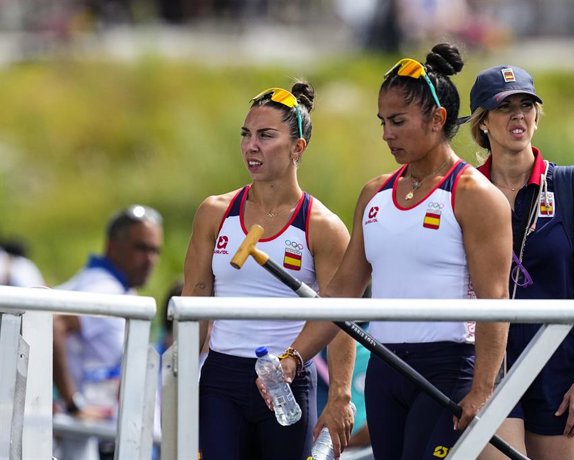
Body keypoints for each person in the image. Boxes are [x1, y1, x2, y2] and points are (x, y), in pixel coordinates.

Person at [274, 43, 513, 460]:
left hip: (447, 369)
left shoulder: (475, 195)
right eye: (383, 122)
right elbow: (343, 291)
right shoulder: (374, 194)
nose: (387, 134)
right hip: (386, 370)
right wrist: (294, 357)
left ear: (438, 119)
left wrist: (483, 390)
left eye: (398, 121)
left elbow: (495, 301)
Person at [181, 81, 351, 460]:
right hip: (222, 379)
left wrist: (340, 394)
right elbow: (194, 302)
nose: (250, 146)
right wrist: (175, 381)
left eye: (265, 136)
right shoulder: (215, 212)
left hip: (285, 379)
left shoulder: (322, 225)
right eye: (246, 134)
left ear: (298, 148)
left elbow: (341, 319)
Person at [467, 64, 574, 459]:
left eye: (526, 105)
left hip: (561, 368)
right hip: (490, 364)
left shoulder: (572, 184)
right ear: (482, 123)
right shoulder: (467, 190)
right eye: (504, 106)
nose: (518, 115)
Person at [52, 204, 163, 458]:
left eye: (155, 250)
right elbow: (53, 323)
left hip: (95, 435)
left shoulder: (107, 284)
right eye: (141, 248)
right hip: (89, 439)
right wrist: (72, 404)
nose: (150, 260)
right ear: (113, 246)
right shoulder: (105, 290)